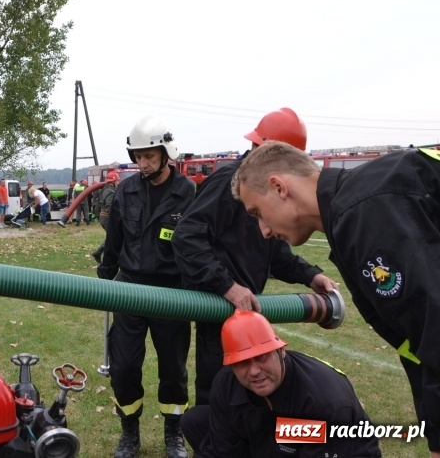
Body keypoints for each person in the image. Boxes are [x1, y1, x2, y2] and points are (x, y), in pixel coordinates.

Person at [232, 141, 440, 458]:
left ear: (279, 187)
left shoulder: (364, 212)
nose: (263, 230)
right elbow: (415, 344)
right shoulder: (355, 209)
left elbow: (434, 330)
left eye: (258, 213)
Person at [172, 108, 337, 406]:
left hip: (248, 309)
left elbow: (274, 251)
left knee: (253, 389)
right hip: (220, 308)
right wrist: (227, 287)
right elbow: (187, 238)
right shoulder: (229, 182)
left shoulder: (266, 188)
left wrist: (310, 275)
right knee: (220, 390)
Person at [97, 116, 195, 458]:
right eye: (138, 156)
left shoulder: (187, 192)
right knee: (124, 367)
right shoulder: (126, 191)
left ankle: (174, 433)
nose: (143, 163)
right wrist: (106, 275)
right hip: (130, 290)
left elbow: (196, 243)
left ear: (166, 154)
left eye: (149, 156)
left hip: (171, 294)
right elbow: (114, 239)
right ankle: (130, 433)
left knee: (173, 369)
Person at [181, 310, 381, 457]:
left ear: (281, 351)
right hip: (275, 432)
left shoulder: (323, 403)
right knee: (195, 421)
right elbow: (219, 451)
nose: (254, 371)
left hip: (338, 448)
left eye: (261, 357)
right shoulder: (226, 383)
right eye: (242, 363)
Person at [91, 169, 119, 263]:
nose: (118, 182)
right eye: (117, 181)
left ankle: (99, 253)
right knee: (114, 237)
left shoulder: (104, 189)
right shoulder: (110, 192)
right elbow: (109, 207)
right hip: (107, 218)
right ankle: (103, 255)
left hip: (103, 217)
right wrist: (116, 218)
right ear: (113, 181)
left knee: (112, 237)